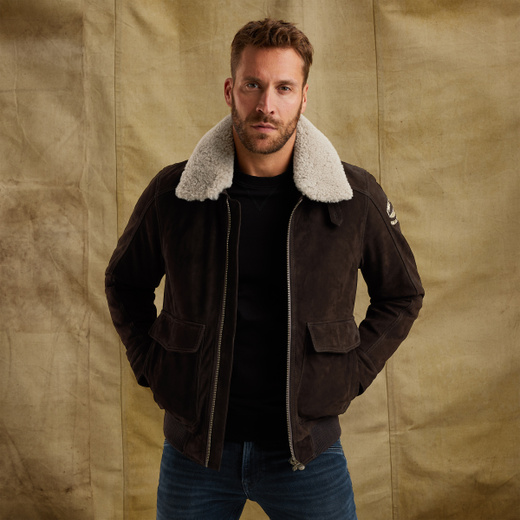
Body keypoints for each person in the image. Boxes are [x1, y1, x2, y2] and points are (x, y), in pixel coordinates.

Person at [105, 18, 424, 520]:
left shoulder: (352, 198)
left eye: (283, 88)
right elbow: (124, 283)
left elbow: (402, 294)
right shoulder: (174, 195)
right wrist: (154, 366)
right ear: (230, 90)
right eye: (252, 85)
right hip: (196, 453)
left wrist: (350, 372)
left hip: (307, 454)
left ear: (304, 97)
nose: (266, 105)